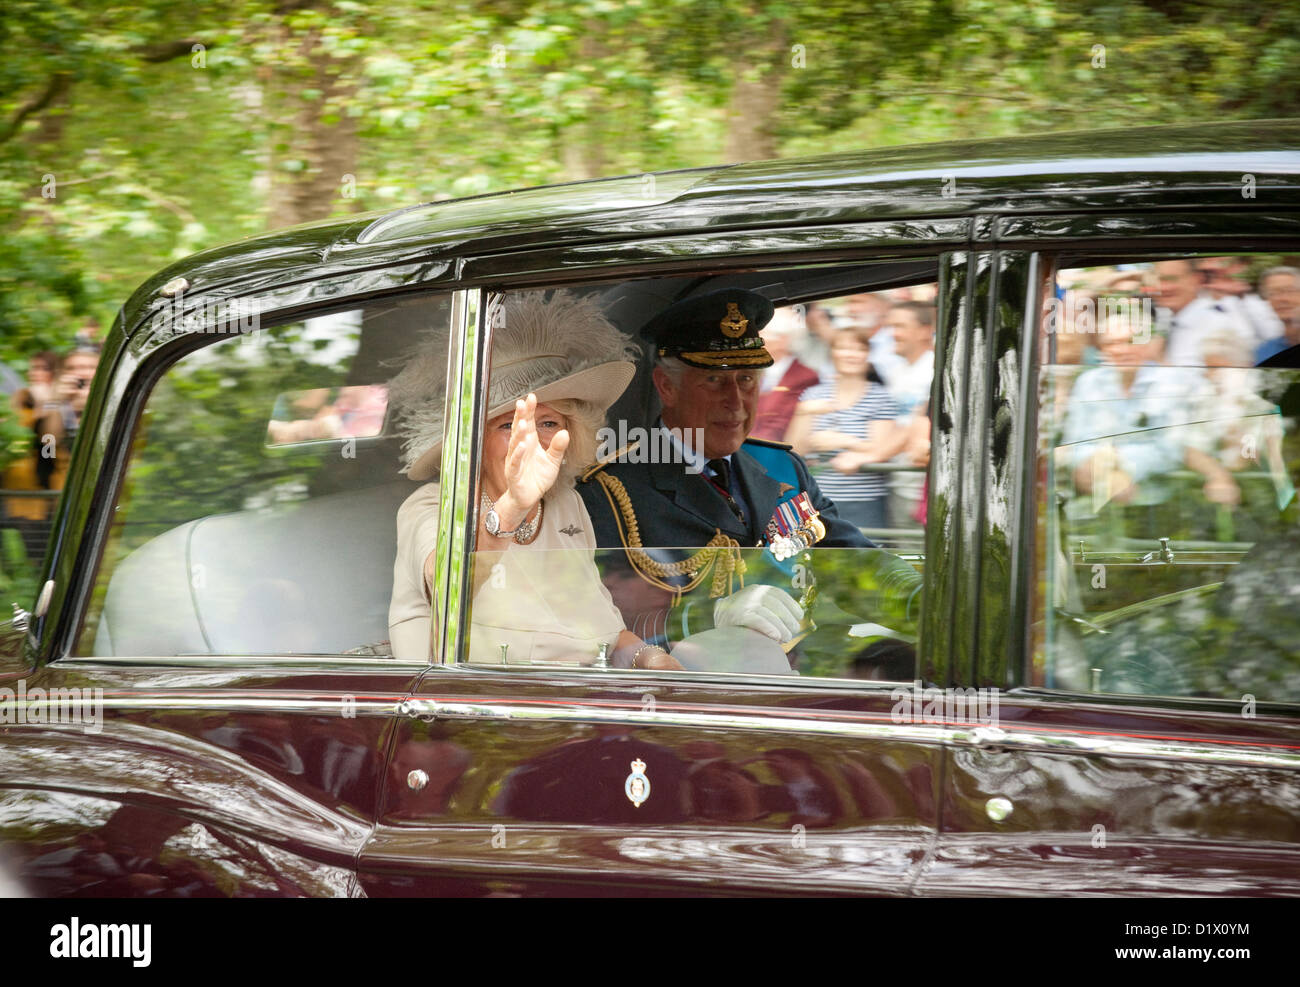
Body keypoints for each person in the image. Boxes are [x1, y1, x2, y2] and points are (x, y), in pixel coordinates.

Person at [387, 290, 792, 669]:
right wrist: (512, 506)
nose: (533, 440)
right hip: (482, 719)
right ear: (472, 441)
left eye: (549, 422)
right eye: (509, 426)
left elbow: (605, 631)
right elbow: (448, 583)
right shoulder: (435, 504)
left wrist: (649, 660)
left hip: (580, 706)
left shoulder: (564, 504)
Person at [786, 325, 906, 530]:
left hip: (865, 501)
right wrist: (803, 413)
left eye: (858, 349)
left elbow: (883, 449)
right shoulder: (813, 395)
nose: (850, 355)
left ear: (867, 355)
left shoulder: (879, 397)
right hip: (817, 499)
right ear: (832, 353)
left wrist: (843, 441)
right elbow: (795, 450)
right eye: (842, 348)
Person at [752, 306, 818, 441]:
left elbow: (780, 422)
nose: (759, 339)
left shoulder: (805, 377)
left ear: (784, 340)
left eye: (766, 334)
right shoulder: (753, 369)